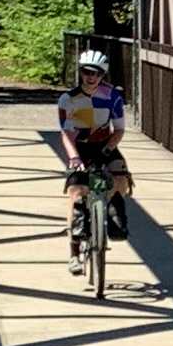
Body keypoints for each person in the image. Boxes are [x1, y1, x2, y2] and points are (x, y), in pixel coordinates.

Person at [55, 47, 131, 243]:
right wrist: (74, 157)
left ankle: (114, 214)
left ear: (102, 75)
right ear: (80, 72)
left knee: (120, 178)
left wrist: (107, 151)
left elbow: (119, 129)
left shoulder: (113, 97)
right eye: (87, 72)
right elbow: (67, 133)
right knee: (76, 191)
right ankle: (75, 248)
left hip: (106, 144)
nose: (91, 77)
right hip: (80, 146)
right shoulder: (68, 99)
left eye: (96, 73)